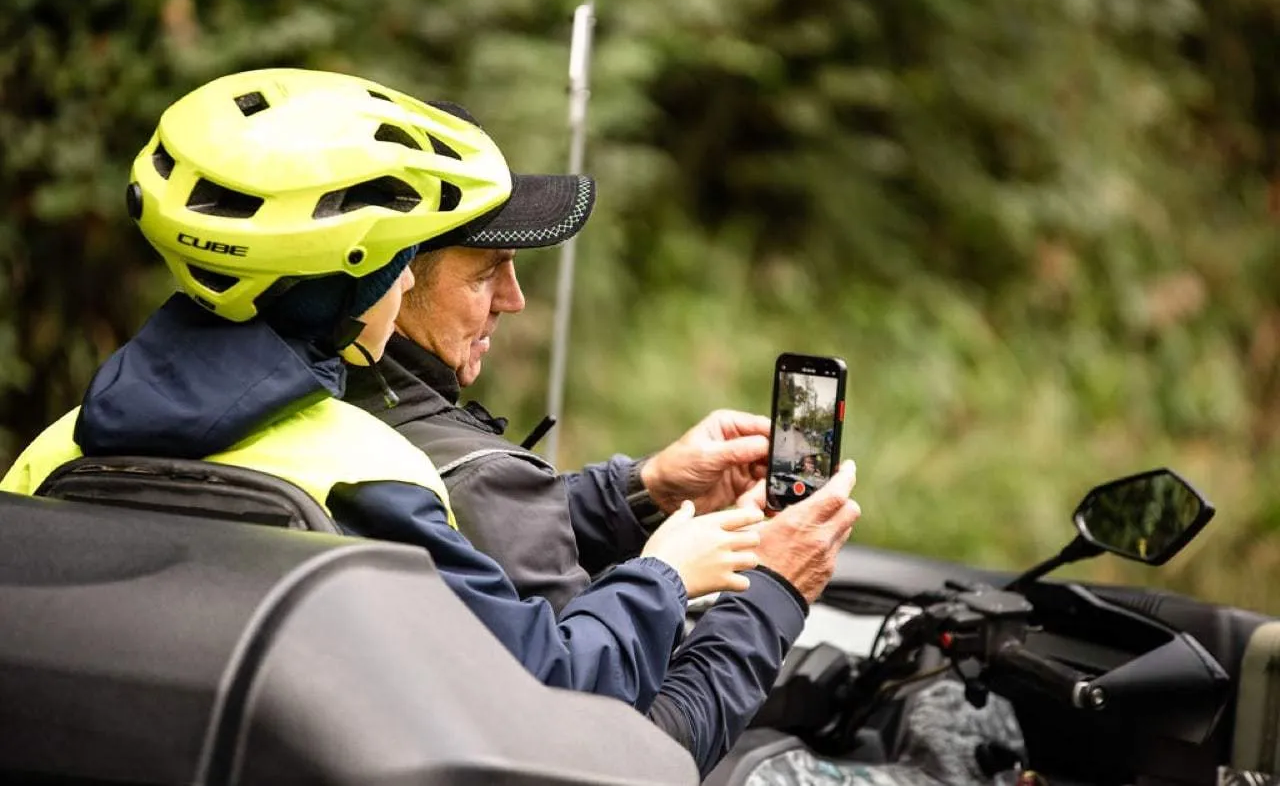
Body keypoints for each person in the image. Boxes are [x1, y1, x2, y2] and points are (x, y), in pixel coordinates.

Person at [0, 69, 859, 777]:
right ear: (355, 276)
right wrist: (667, 574)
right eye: (399, 262)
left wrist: (635, 492)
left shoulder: (51, 453)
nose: (405, 283)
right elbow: (551, 696)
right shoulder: (370, 468)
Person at [342, 131, 863, 771]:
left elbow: (470, 537)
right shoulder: (472, 477)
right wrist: (773, 590)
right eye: (485, 273)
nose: (514, 298)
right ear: (386, 278)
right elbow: (626, 755)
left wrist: (649, 489)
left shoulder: (318, 418)